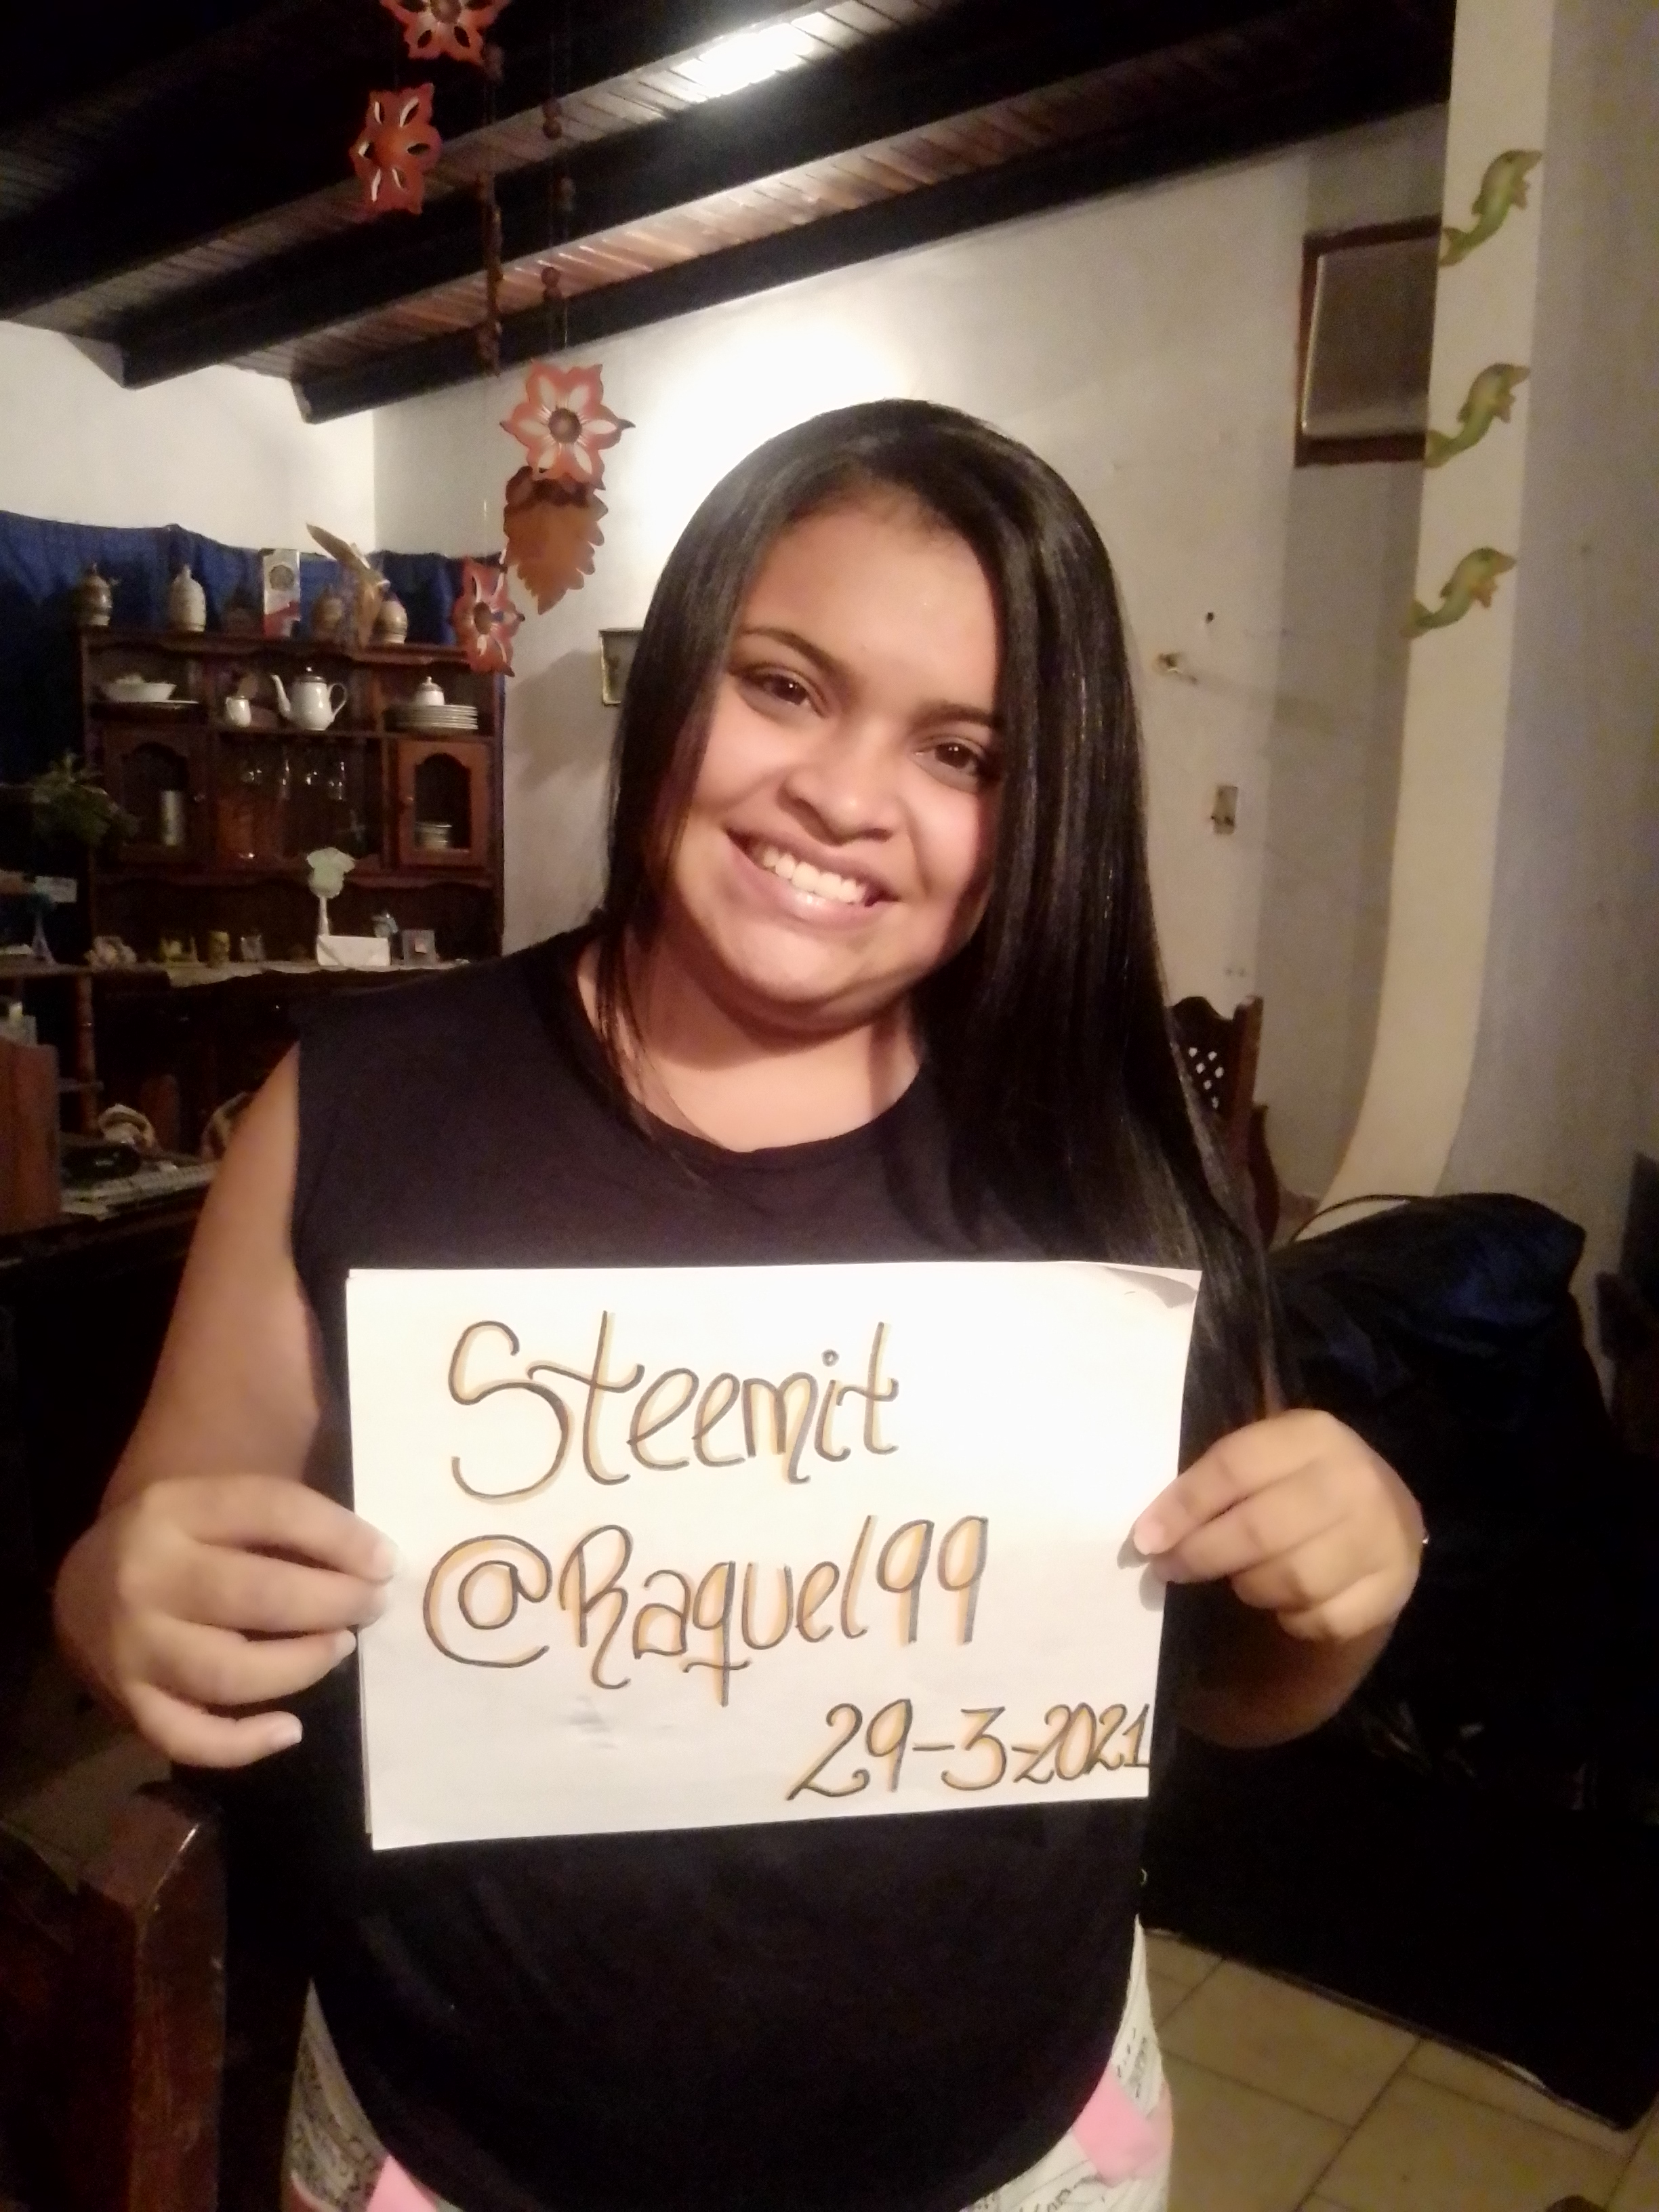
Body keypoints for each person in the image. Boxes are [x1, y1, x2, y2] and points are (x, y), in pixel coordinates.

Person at [54, 399, 1423, 2212]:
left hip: (1015, 2157)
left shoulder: (1098, 1158)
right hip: (455, 2154)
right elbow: (147, 1553)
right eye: (785, 686)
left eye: (962, 751)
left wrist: (1349, 1577)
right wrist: (120, 1601)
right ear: (676, 679)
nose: (845, 795)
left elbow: (1236, 1686)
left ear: (1043, 811)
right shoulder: (368, 1108)